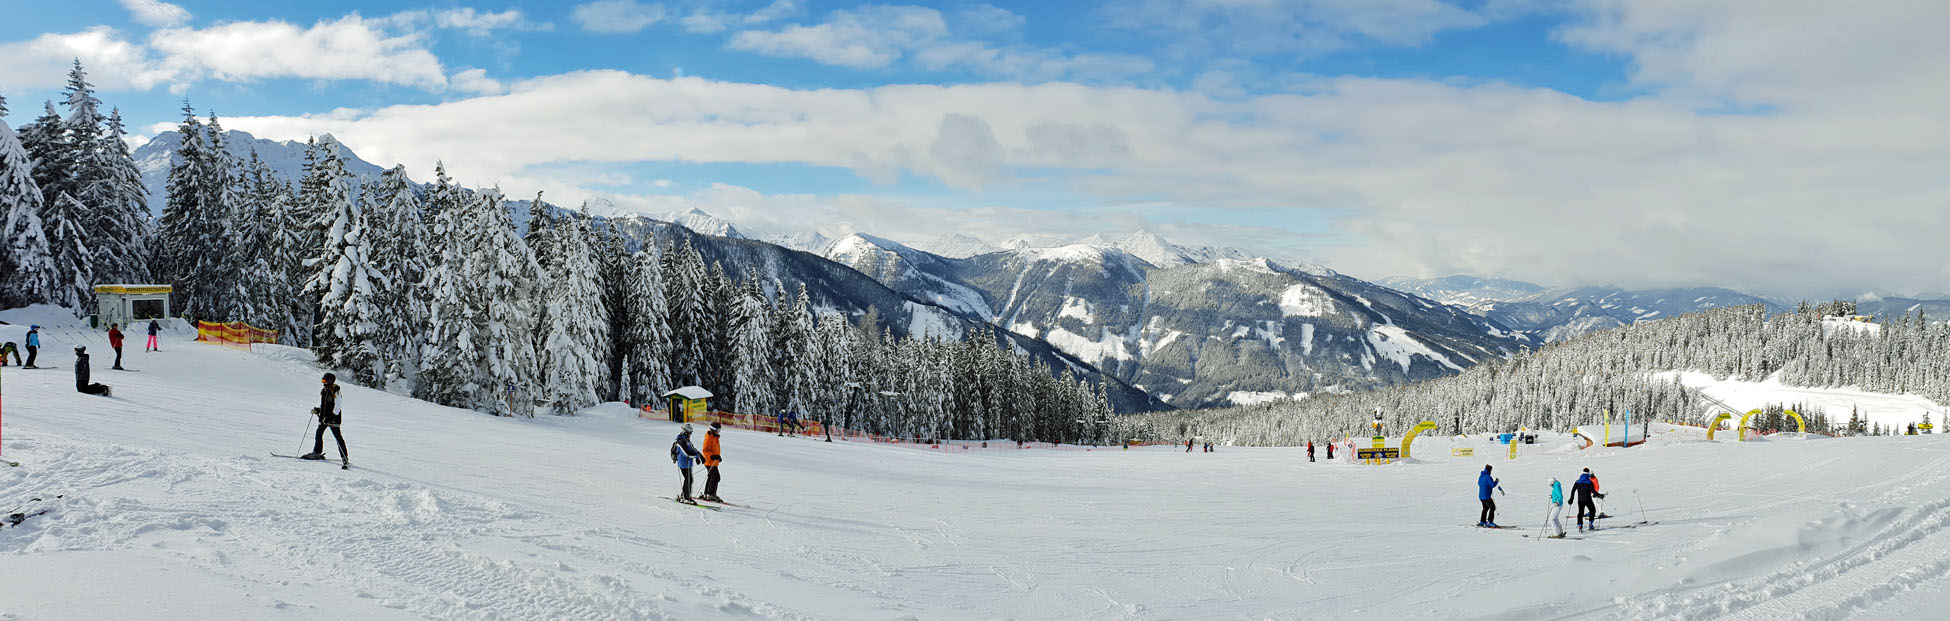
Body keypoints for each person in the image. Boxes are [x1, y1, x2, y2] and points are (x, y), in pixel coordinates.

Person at [301, 373, 350, 469]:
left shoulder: (336, 391)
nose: (323, 383)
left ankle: (344, 457)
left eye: (324, 381)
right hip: (324, 418)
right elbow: (323, 405)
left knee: (338, 438)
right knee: (318, 434)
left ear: (330, 381)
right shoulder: (324, 391)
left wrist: (330, 417)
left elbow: (337, 407)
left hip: (333, 419)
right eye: (322, 381)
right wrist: (318, 409)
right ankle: (317, 452)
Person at [670, 424, 706, 503]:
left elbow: (693, 449)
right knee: (689, 479)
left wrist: (700, 456)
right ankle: (686, 497)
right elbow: (687, 453)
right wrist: (696, 456)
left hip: (688, 463)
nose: (690, 434)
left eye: (691, 433)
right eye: (689, 433)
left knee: (688, 479)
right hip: (683, 464)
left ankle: (684, 495)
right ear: (684, 432)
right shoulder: (681, 442)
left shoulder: (687, 440)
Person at [700, 422, 725, 502]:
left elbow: (714, 450)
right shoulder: (709, 438)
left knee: (711, 477)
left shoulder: (715, 437)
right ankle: (711, 494)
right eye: (718, 430)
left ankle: (707, 493)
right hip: (709, 461)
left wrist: (717, 457)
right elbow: (705, 450)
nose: (719, 431)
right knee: (716, 477)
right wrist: (712, 456)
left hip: (713, 461)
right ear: (713, 430)